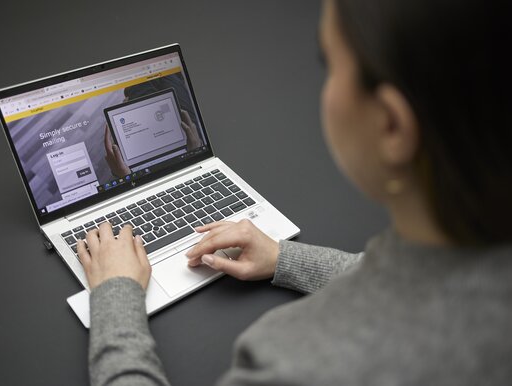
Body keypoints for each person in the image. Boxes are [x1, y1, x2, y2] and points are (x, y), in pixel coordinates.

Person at [77, 0, 512, 384]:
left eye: (329, 62)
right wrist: (286, 258)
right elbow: (425, 290)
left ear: (392, 125)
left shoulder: (290, 362)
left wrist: (115, 296)